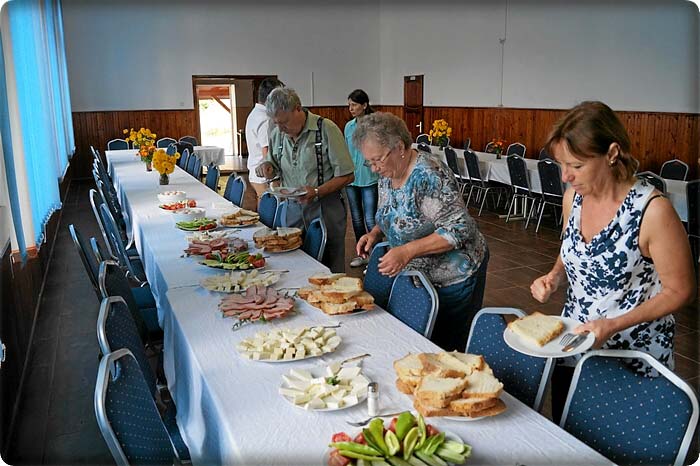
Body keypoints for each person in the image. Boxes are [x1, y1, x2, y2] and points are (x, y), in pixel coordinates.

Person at [529, 101, 695, 421]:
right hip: (574, 346)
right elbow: (571, 249)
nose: (565, 176)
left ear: (612, 153)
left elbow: (681, 291)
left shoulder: (652, 211)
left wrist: (614, 324)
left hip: (631, 357)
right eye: (562, 164)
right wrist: (553, 276)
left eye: (575, 165)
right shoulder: (573, 199)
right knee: (570, 436)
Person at [352, 112, 489, 351]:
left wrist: (407, 251)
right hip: (420, 273)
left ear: (400, 147)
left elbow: (458, 229)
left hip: (453, 273)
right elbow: (391, 211)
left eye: (377, 160)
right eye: (369, 162)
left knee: (444, 346)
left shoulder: (429, 175)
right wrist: (375, 233)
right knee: (416, 340)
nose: (374, 169)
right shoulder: (390, 171)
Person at [256, 87, 354, 273]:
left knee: (328, 267)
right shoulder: (278, 132)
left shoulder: (326, 129)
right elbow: (274, 163)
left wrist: (317, 192)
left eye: (284, 122)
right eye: (276, 123)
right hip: (291, 209)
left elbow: (348, 175)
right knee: (292, 262)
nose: (281, 129)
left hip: (325, 208)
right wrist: (267, 167)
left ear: (298, 109)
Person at [344, 89, 380, 268]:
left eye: (354, 105)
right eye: (349, 105)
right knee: (356, 219)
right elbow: (346, 151)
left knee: (370, 219)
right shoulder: (349, 127)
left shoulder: (373, 126)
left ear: (364, 105)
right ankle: (362, 253)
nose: (351, 108)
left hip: (369, 177)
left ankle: (376, 255)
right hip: (352, 178)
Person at [245, 77, 284, 201]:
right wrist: (273, 178)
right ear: (271, 98)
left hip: (255, 172)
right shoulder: (266, 119)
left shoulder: (255, 113)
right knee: (269, 214)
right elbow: (266, 151)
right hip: (264, 175)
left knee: (264, 210)